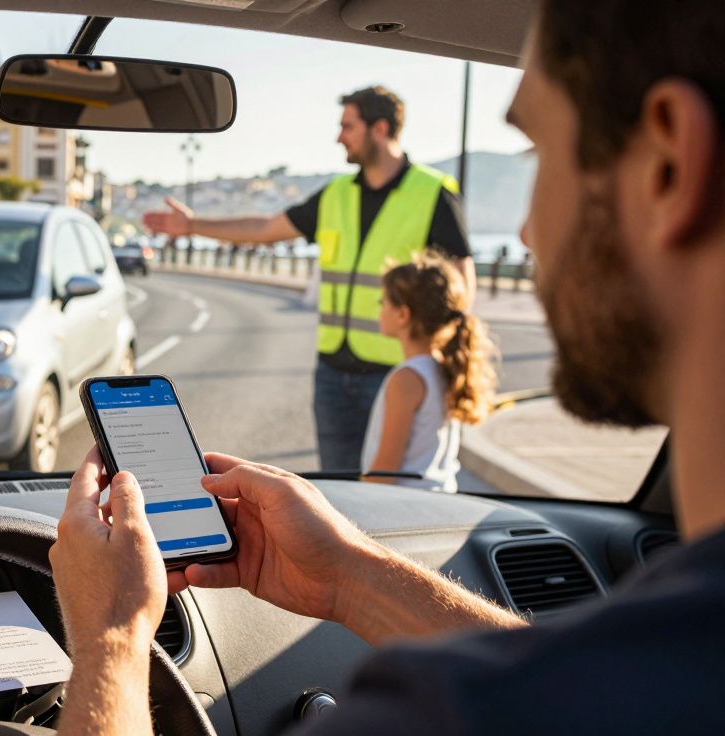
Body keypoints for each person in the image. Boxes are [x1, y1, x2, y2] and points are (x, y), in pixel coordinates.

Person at [50, 0, 725, 732]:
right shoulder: (656, 669)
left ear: (669, 162)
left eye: (538, 151)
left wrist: (111, 634)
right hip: (334, 371)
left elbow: (544, 694)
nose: (528, 233)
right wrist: (348, 572)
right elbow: (580, 693)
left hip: (391, 372)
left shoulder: (442, 713)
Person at [144, 87, 475, 472]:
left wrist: (445, 364)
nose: (339, 137)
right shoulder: (336, 194)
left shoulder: (432, 192)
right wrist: (193, 225)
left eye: (348, 127)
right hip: (333, 373)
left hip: (396, 373)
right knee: (337, 487)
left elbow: (461, 285)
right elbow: (266, 229)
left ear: (380, 129)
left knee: (389, 487)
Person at [362, 256, 496, 491]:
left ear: (402, 315)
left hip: (403, 506)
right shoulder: (443, 366)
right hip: (437, 500)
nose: (380, 310)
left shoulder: (407, 379)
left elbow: (383, 473)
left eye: (383, 302)